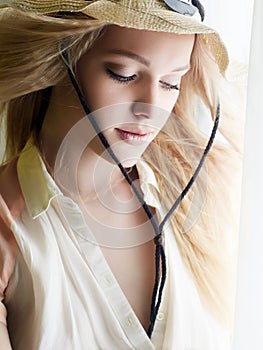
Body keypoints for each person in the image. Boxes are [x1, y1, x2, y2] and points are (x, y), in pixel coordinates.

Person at [0, 1, 244, 349]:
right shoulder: (9, 226)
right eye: (123, 73)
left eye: (172, 83)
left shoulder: (204, 203)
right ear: (62, 58)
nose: (150, 108)